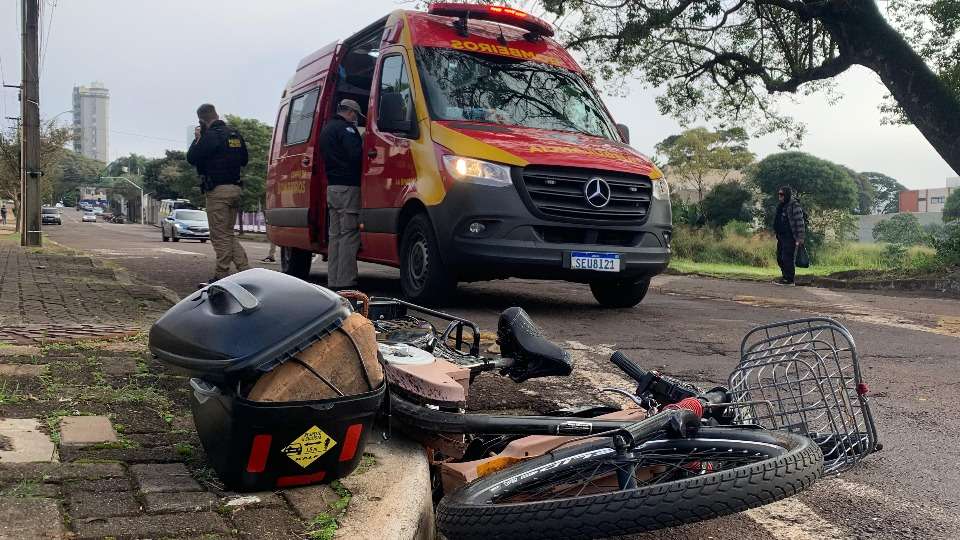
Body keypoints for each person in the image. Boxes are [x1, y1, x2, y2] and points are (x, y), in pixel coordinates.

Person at [187, 103, 251, 283]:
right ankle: (246, 271)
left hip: (218, 192)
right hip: (235, 189)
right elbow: (244, 160)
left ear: (202, 120)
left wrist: (197, 139)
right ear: (216, 114)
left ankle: (221, 275)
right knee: (228, 234)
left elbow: (192, 158)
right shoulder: (234, 134)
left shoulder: (210, 136)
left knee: (219, 236)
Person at [319, 99, 364, 290]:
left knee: (335, 235)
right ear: (351, 112)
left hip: (332, 188)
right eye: (356, 115)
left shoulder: (327, 129)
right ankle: (346, 281)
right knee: (349, 234)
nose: (355, 119)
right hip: (348, 187)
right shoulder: (347, 130)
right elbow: (356, 155)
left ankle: (333, 280)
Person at [773, 185, 806, 285]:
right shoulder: (781, 206)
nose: (780, 196)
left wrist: (800, 238)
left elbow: (800, 221)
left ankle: (789, 279)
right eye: (779, 194)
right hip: (781, 236)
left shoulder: (794, 205)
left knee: (787, 257)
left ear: (787, 195)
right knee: (779, 257)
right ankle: (785, 276)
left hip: (790, 236)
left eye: (782, 194)